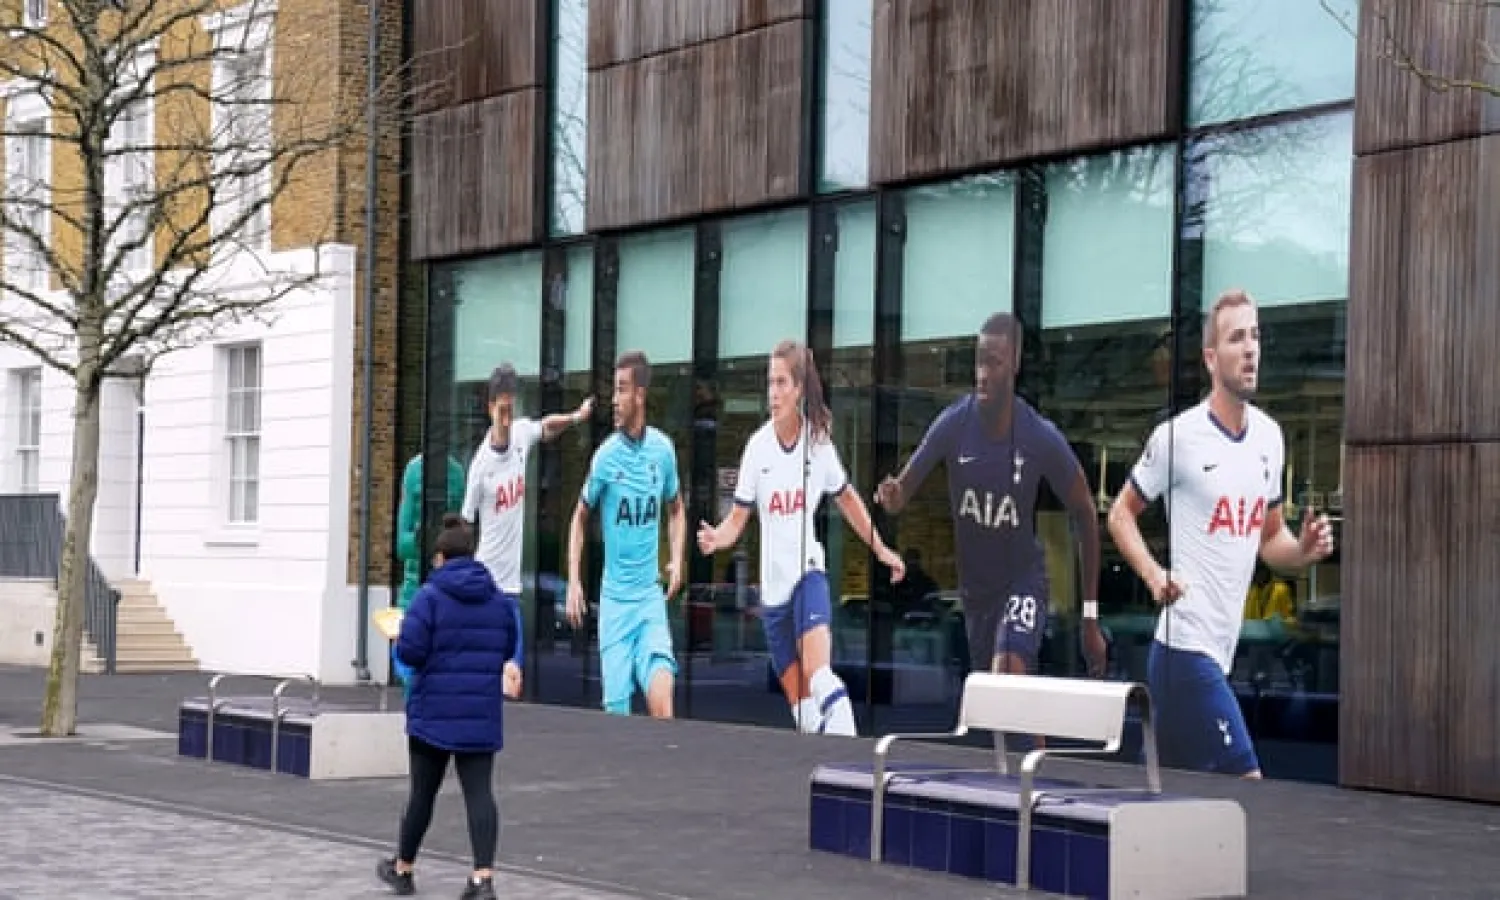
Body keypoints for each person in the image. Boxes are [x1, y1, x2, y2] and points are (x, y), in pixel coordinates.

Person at [1107, 289, 1334, 779]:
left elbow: (1270, 541)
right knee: (1247, 786)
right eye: (1236, 339)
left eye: (1255, 336)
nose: (1250, 349)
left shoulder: (1270, 438)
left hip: (1215, 656)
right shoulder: (1178, 438)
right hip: (1184, 653)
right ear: (1211, 358)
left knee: (1165, 801)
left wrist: (1304, 551)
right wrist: (1154, 575)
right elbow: (1120, 514)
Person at [874, 313, 1107, 684]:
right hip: (976, 594)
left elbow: (1085, 511)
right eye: (979, 362)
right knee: (995, 697)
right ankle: (1032, 726)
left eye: (994, 363)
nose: (982, 374)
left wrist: (1090, 616)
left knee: (1008, 667)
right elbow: (901, 494)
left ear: (1014, 366)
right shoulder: (954, 423)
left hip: (1022, 580)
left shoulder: (1038, 436)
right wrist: (892, 494)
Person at [697, 340, 906, 736]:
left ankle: (849, 747)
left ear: (798, 389)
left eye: (781, 383)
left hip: (808, 574)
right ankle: (824, 759)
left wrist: (880, 549)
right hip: (773, 594)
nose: (773, 393)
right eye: (769, 383)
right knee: (804, 714)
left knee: (818, 671)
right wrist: (717, 539)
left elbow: (847, 498)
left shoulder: (818, 444)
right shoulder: (757, 448)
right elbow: (737, 519)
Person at [377, 514, 524, 900]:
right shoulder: (498, 600)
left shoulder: (428, 597)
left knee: (422, 795)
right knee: (480, 794)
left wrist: (399, 636)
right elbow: (507, 647)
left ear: (441, 557)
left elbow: (411, 652)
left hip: (433, 714)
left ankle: (403, 868)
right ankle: (482, 878)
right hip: (480, 714)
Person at [565, 350, 687, 718]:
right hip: (615, 604)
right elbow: (579, 518)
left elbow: (676, 508)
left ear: (640, 395)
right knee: (617, 718)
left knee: (662, 696)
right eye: (614, 391)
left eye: (621, 390)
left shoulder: (662, 451)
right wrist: (574, 581)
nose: (615, 401)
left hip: (649, 598)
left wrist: (677, 559)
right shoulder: (605, 457)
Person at [461, 363, 594, 698]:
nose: (507, 420)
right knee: (494, 676)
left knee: (514, 679)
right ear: (490, 408)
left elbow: (546, 427)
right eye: (502, 412)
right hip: (487, 586)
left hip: (512, 590)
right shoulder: (480, 467)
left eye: (511, 410)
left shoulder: (521, 434)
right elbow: (464, 526)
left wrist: (576, 417)